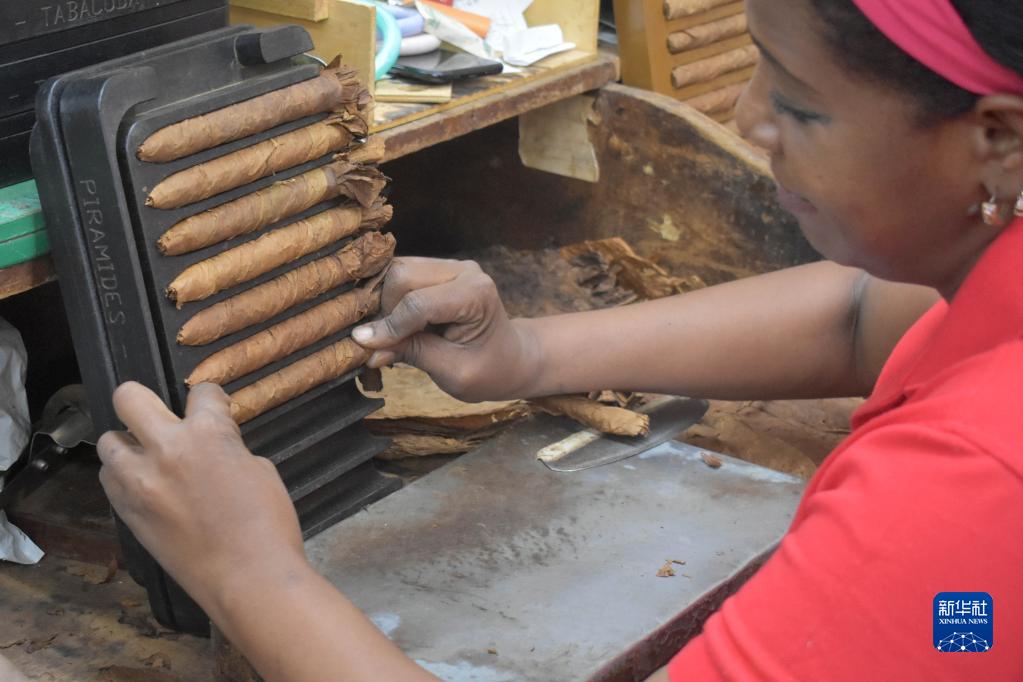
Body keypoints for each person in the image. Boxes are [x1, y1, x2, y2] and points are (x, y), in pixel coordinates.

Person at [91, 0, 1023, 679]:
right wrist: (525, 355)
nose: (747, 120)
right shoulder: (988, 262)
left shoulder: (962, 496)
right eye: (757, 66)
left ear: (996, 138)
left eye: (802, 104)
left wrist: (251, 576)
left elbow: (944, 581)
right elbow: (860, 313)